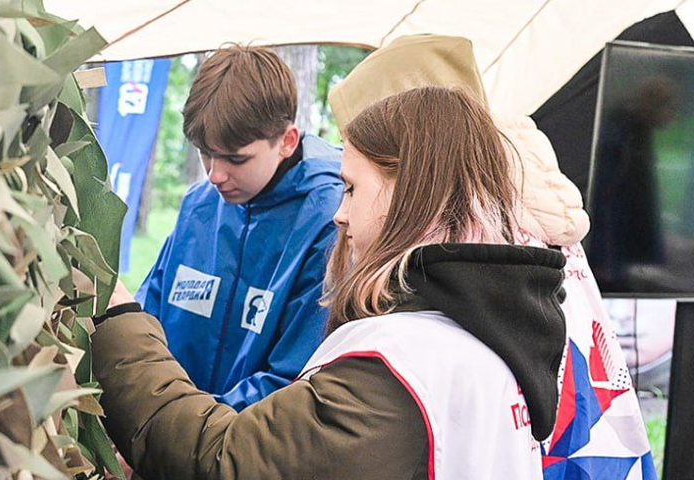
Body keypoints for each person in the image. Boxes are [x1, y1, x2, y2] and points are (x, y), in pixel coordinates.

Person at [92, 86, 565, 480]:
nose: (339, 213)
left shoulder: (400, 367)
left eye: (353, 188)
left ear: (413, 194)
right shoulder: (486, 332)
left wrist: (117, 323)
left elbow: (223, 460)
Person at [329, 34, 657, 478]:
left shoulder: (470, 233)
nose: (344, 213)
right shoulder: (527, 201)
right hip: (602, 451)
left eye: (356, 181)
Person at [133, 45, 343, 410]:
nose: (215, 175)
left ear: (286, 141)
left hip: (245, 452)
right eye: (205, 153)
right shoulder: (199, 205)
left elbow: (293, 380)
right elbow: (145, 324)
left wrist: (180, 430)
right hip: (164, 435)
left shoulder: (329, 220)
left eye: (235, 158)